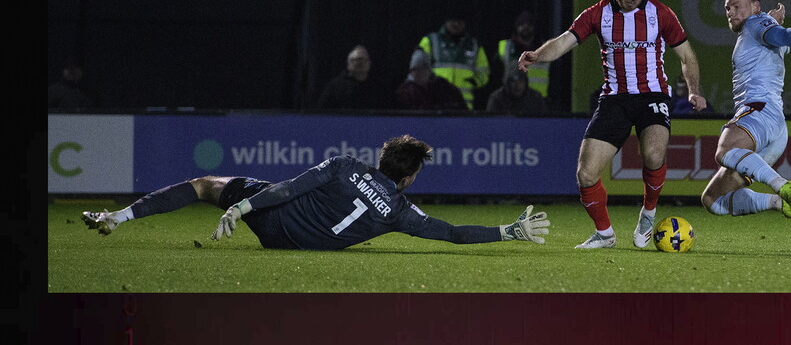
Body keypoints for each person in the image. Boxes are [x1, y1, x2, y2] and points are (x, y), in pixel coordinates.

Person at [518, 0, 707, 249]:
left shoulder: (660, 14)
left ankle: (648, 212)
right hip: (614, 99)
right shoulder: (598, 14)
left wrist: (693, 91)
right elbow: (564, 42)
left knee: (654, 154)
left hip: (652, 95)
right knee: (585, 173)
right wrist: (538, 55)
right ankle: (605, 234)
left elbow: (687, 57)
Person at [81, 134, 550, 250]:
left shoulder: (346, 166)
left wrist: (242, 206)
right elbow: (451, 233)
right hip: (297, 243)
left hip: (269, 221)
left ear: (382, 158)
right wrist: (509, 232)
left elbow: (289, 187)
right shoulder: (401, 212)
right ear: (407, 177)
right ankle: (117, 218)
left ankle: (118, 218)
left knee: (205, 186)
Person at [700, 0, 791, 234]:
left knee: (725, 150)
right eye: (727, 8)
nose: (730, 12)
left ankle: (784, 186)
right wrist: (770, 20)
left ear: (755, 7)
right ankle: (780, 203)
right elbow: (775, 35)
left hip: (759, 112)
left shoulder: (754, 24)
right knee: (713, 200)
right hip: (775, 130)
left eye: (737, 6)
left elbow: (781, 36)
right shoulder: (758, 27)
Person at [418, 14, 489, 110]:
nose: (456, 24)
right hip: (435, 105)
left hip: (464, 106)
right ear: (446, 21)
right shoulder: (430, 41)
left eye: (459, 21)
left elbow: (484, 72)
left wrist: (473, 83)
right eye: (452, 20)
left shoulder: (474, 45)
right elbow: (418, 69)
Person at [394, 49, 468, 111]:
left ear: (429, 69)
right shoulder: (405, 92)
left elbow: (460, 107)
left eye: (423, 68)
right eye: (415, 69)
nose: (418, 73)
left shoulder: (444, 87)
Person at [498, 11, 549, 100]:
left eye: (529, 24)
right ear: (516, 27)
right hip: (511, 100)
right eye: (521, 24)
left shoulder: (545, 48)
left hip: (538, 101)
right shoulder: (506, 47)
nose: (525, 27)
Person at [315, 44, 382, 110]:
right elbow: (321, 112)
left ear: (369, 63)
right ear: (348, 63)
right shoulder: (335, 87)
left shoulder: (377, 87)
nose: (361, 63)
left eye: (365, 60)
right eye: (358, 60)